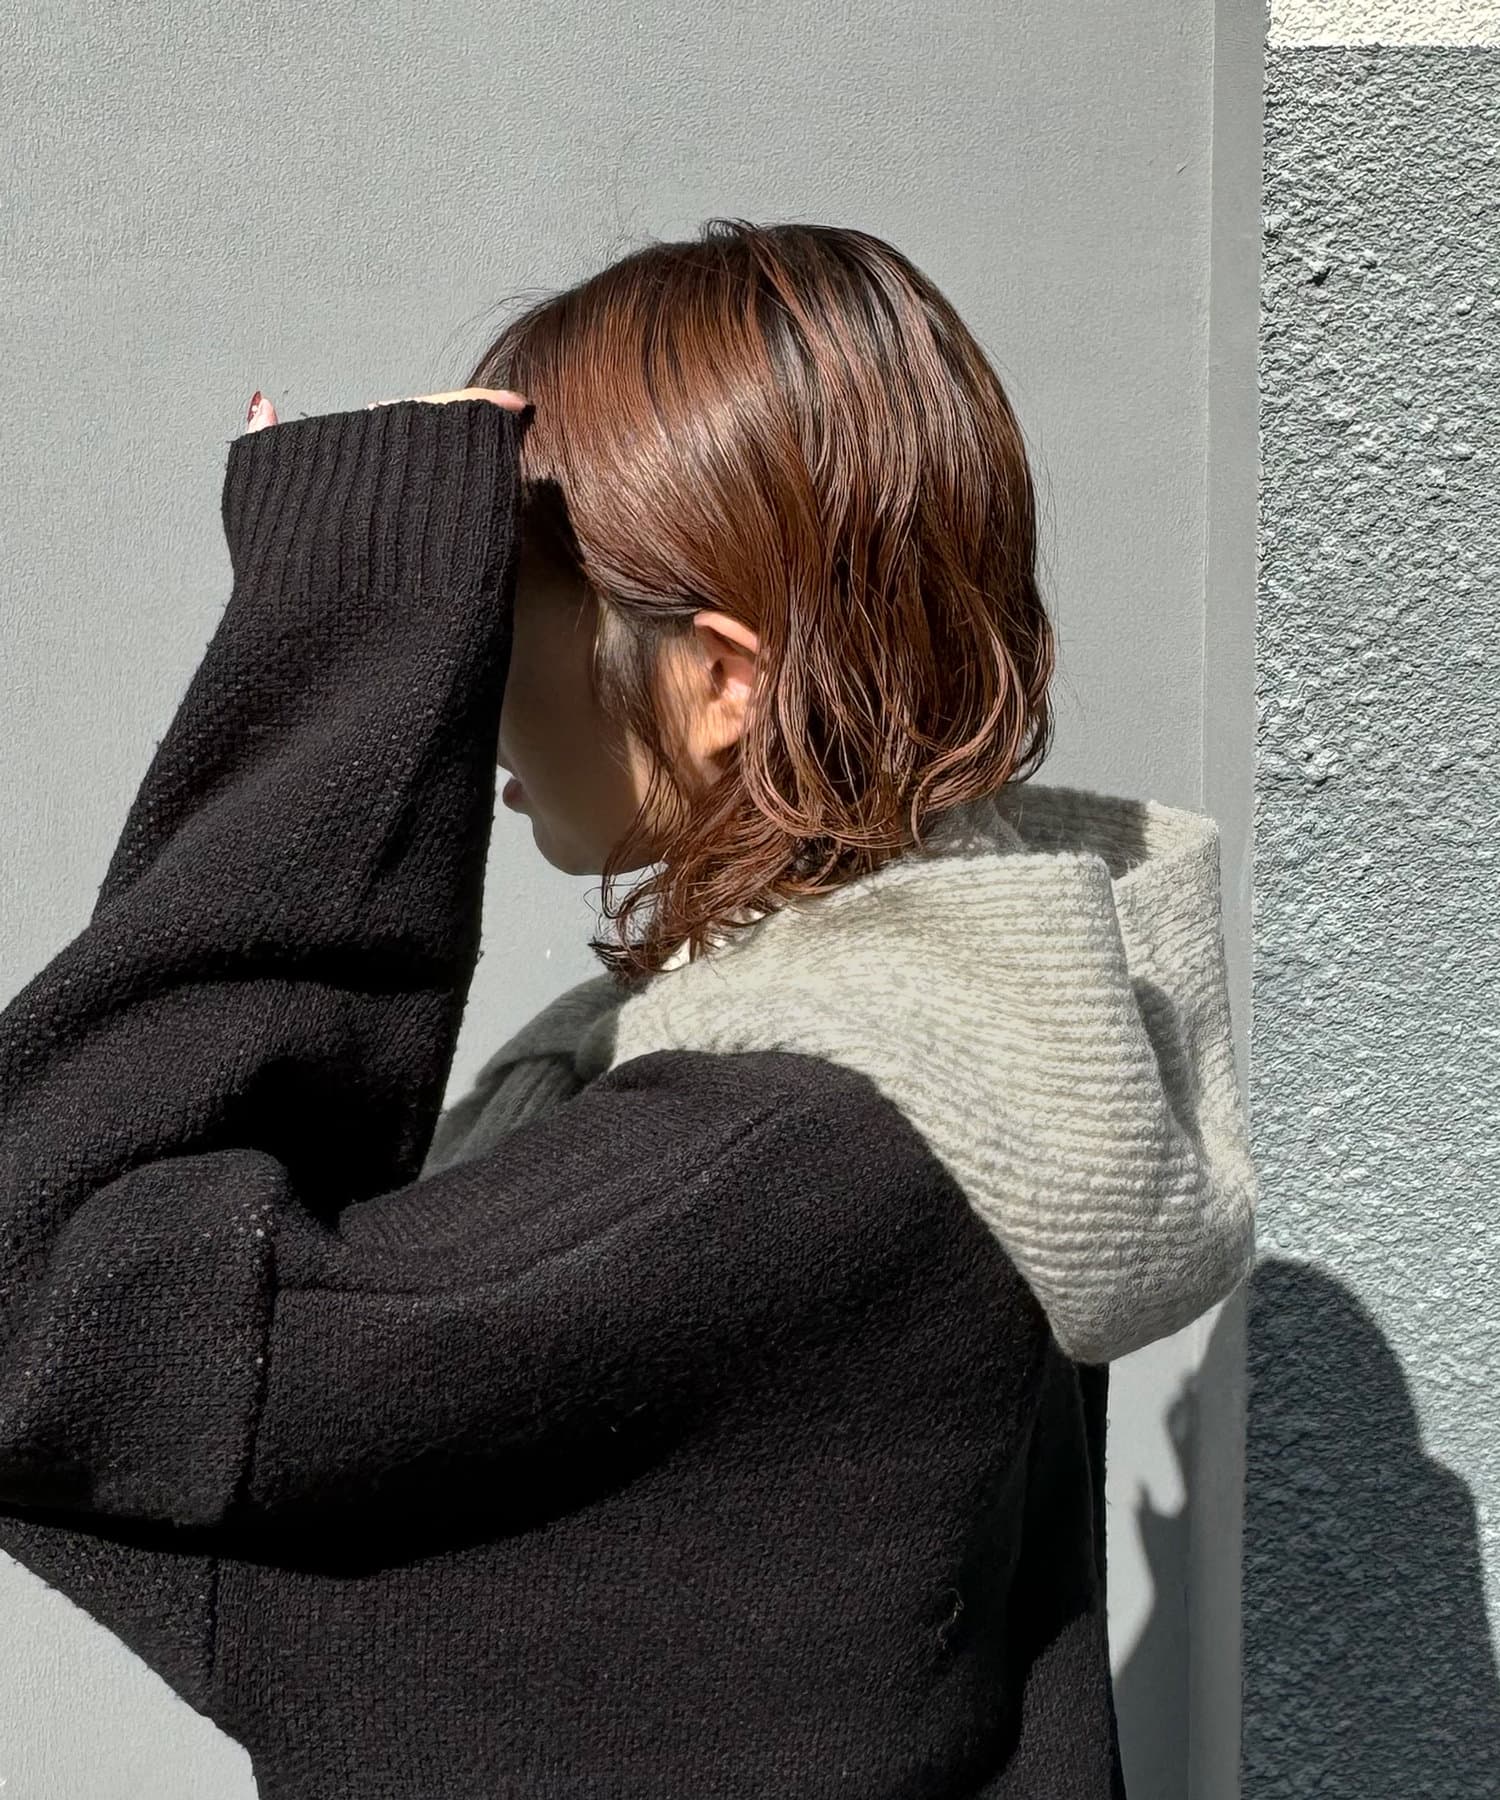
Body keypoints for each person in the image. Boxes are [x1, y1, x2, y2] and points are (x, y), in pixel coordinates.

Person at [0, 219, 1256, 1799]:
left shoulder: (771, 1165)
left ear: (723, 680)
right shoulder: (959, 1082)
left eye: (491, 604)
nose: (459, 681)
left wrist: (346, 636)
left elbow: (46, 1301)